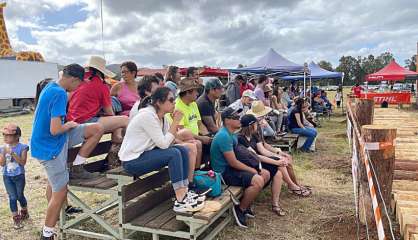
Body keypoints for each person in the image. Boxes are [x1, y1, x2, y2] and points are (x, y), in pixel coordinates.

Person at [31, 64, 104, 240]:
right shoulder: (59, 93)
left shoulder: (52, 86)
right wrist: (70, 125)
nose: (79, 87)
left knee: (96, 128)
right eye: (80, 83)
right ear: (74, 79)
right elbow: (56, 129)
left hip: (54, 140)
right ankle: (47, 233)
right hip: (50, 147)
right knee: (60, 190)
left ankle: (78, 167)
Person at [118, 87, 205, 213]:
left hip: (144, 154)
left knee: (182, 150)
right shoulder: (147, 116)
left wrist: (183, 142)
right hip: (132, 161)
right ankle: (180, 199)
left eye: (174, 100)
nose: (174, 103)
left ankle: (185, 191)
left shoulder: (162, 117)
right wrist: (176, 121)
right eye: (171, 100)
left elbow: (169, 140)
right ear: (159, 102)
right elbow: (164, 144)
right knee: (174, 153)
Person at [210, 107, 270, 228]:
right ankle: (240, 209)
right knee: (258, 179)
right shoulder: (224, 136)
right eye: (236, 118)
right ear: (227, 121)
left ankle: (245, 203)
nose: (240, 120)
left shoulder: (231, 134)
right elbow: (233, 163)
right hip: (223, 173)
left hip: (231, 169)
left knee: (266, 174)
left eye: (239, 117)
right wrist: (251, 169)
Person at [238, 115, 311, 206]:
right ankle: (292, 186)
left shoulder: (254, 135)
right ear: (251, 125)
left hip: (259, 160)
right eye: (257, 123)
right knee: (280, 165)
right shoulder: (241, 138)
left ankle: (292, 186)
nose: (259, 124)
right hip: (253, 163)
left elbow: (262, 150)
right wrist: (276, 161)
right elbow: (256, 156)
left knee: (282, 162)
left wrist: (277, 155)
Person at [67, 56, 129, 143]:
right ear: (102, 72)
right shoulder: (102, 85)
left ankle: (117, 137)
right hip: (85, 121)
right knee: (125, 119)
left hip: (71, 120)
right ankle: (120, 140)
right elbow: (109, 112)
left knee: (115, 117)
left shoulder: (79, 80)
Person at [170, 78, 213, 168]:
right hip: (181, 138)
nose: (198, 94)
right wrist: (201, 138)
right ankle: (195, 173)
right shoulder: (178, 106)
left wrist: (208, 135)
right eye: (195, 91)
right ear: (188, 92)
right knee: (198, 143)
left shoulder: (193, 103)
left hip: (195, 136)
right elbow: (182, 131)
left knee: (213, 141)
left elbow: (200, 124)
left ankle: (205, 169)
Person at [0, 123, 29, 229]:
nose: (5, 138)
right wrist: (3, 153)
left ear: (17, 136)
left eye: (8, 135)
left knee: (19, 195)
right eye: (4, 135)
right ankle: (16, 219)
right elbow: (2, 164)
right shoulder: (2, 148)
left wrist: (12, 153)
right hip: (7, 176)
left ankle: (24, 211)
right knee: (12, 197)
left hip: (19, 176)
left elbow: (23, 162)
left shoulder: (23, 147)